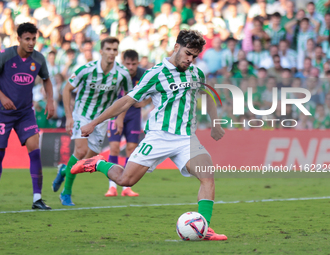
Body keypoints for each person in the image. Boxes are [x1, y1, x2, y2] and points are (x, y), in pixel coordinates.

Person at [71, 30, 227, 241]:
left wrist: (215, 122)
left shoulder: (196, 74)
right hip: (159, 136)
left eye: (194, 56)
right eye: (188, 53)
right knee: (126, 180)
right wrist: (95, 122)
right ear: (176, 47)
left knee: (207, 176)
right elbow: (126, 101)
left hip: (186, 138)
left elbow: (207, 94)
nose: (190, 59)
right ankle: (98, 163)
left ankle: (205, 227)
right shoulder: (155, 73)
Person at [52, 37, 133, 206]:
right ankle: (66, 193)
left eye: (114, 49)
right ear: (101, 51)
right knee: (80, 152)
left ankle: (64, 170)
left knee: (84, 163)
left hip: (101, 120)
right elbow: (66, 89)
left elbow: (128, 98)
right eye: (108, 49)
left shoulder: (122, 74)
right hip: (82, 114)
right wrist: (69, 116)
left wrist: (120, 118)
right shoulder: (86, 69)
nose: (112, 52)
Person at [0, 22, 54, 210]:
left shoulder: (38, 59)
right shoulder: (6, 55)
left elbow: (47, 80)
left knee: (35, 151)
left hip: (25, 113)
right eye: (27, 39)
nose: (31, 43)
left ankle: (37, 199)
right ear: (19, 39)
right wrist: (3, 96)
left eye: (34, 39)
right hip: (3, 113)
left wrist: (50, 101)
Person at [105, 50, 148, 197]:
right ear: (123, 63)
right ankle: (112, 186)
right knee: (115, 148)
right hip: (116, 113)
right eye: (127, 64)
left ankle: (126, 188)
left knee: (131, 149)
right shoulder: (116, 73)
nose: (130, 67)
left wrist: (145, 102)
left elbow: (156, 91)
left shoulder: (144, 74)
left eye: (134, 64)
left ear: (138, 63)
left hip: (134, 115)